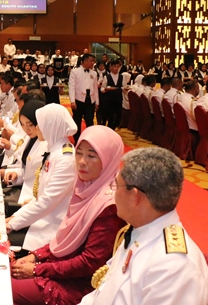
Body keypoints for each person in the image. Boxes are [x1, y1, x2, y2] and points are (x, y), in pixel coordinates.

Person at [79, 147, 208, 304]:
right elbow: (102, 292)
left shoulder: (173, 267)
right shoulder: (141, 229)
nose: (113, 193)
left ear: (134, 196)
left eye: (116, 185)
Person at [11, 125, 125, 305]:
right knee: (5, 269)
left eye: (92, 156)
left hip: (78, 285)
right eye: (79, 153)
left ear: (109, 159)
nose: (82, 162)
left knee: (5, 287)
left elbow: (89, 263)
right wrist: (36, 256)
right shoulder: (84, 188)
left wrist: (37, 269)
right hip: (59, 266)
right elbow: (63, 239)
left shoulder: (108, 206)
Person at [6, 103, 76, 252]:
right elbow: (40, 198)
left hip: (51, 226)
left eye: (40, 124)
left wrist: (13, 223)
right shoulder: (55, 150)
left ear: (51, 126)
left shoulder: (66, 158)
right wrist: (14, 218)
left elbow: (46, 202)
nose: (37, 128)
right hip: (40, 217)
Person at [68, 53, 99, 143]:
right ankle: (77, 140)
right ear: (84, 61)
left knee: (90, 121)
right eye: (91, 61)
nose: (93, 63)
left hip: (90, 99)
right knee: (77, 121)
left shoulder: (94, 73)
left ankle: (89, 140)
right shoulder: (75, 72)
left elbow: (95, 88)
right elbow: (71, 87)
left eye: (93, 61)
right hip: (78, 100)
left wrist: (97, 102)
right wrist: (72, 101)